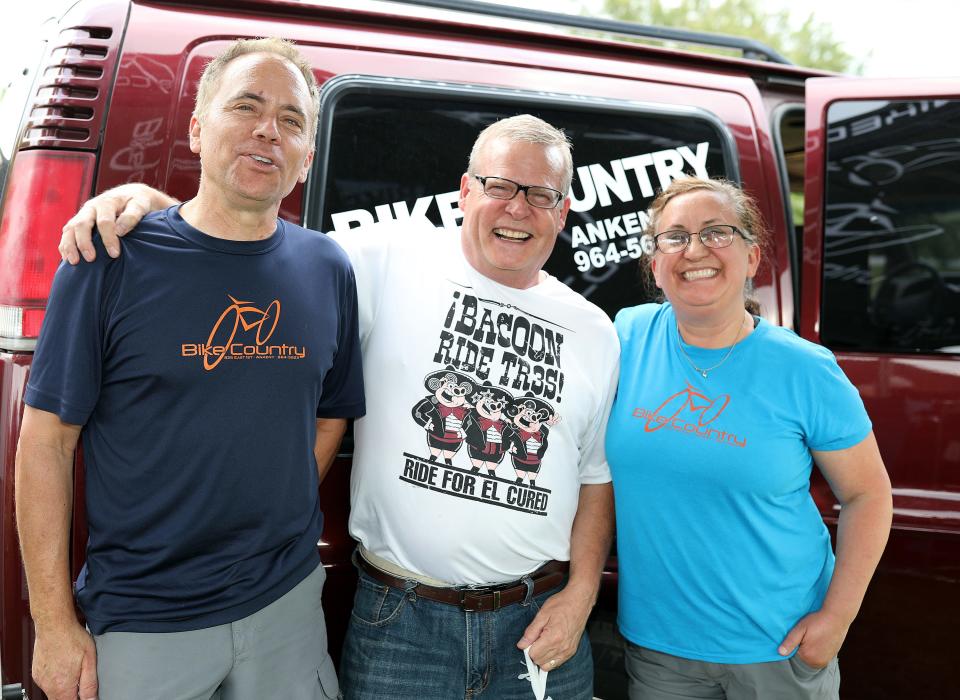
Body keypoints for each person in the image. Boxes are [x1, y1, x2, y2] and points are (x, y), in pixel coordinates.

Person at [58, 114, 619, 699]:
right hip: (402, 625)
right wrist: (146, 200)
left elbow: (594, 478)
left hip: (538, 627)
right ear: (465, 190)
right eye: (498, 185)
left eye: (541, 195)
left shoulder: (594, 331)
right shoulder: (381, 262)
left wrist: (580, 598)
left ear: (563, 209)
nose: (516, 208)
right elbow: (241, 241)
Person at [16, 38, 365, 700]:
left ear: (307, 156)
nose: (268, 129)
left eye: (292, 119)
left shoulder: (328, 269)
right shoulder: (107, 260)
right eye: (246, 106)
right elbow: (45, 443)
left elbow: (330, 415)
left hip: (287, 610)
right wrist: (55, 625)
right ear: (198, 129)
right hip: (146, 625)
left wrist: (268, 503)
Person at [604, 177, 893, 700]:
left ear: (752, 256)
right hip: (660, 653)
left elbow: (868, 495)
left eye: (716, 232)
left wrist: (837, 618)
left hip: (778, 649)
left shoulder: (806, 370)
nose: (695, 250)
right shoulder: (625, 338)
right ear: (655, 265)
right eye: (674, 237)